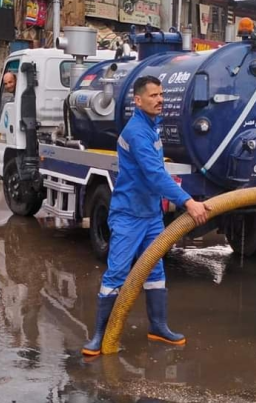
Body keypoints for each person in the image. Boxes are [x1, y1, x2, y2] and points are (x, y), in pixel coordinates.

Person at [82, 76, 210, 357]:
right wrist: (188, 202)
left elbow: (156, 173)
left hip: (151, 214)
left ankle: (158, 326)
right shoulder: (138, 132)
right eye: (153, 95)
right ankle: (100, 335)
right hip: (128, 215)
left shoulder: (152, 127)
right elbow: (154, 174)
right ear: (138, 101)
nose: (160, 99)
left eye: (161, 94)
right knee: (117, 273)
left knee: (155, 271)